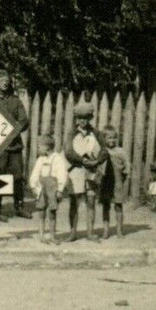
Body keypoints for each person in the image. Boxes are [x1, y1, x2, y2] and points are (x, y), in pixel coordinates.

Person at [64, 101, 108, 241]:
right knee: (74, 201)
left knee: (91, 200)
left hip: (91, 171)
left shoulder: (96, 133)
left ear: (90, 118)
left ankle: (90, 232)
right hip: (76, 170)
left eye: (85, 118)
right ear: (76, 118)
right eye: (79, 118)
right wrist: (82, 160)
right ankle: (72, 233)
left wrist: (97, 161)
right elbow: (68, 151)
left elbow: (104, 151)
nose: (82, 121)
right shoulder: (72, 133)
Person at [0, 68, 29, 220]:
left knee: (17, 177)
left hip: (14, 146)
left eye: (7, 80)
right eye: (1, 80)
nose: (5, 83)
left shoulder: (15, 100)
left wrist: (11, 132)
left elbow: (24, 120)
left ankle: (19, 206)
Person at [28, 134, 68, 243]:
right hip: (42, 188)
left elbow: (62, 175)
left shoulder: (58, 158)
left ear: (48, 147)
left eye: (40, 146)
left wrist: (60, 189)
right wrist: (33, 186)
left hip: (53, 188)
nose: (38, 148)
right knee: (41, 210)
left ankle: (52, 236)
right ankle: (41, 235)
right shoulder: (40, 159)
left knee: (52, 211)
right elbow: (35, 173)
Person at [98, 125, 129, 240]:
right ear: (104, 139)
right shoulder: (102, 152)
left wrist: (122, 180)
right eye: (109, 138)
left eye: (114, 138)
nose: (112, 140)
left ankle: (119, 230)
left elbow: (126, 168)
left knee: (118, 206)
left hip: (117, 183)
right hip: (105, 183)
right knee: (106, 206)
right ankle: (106, 230)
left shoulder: (121, 152)